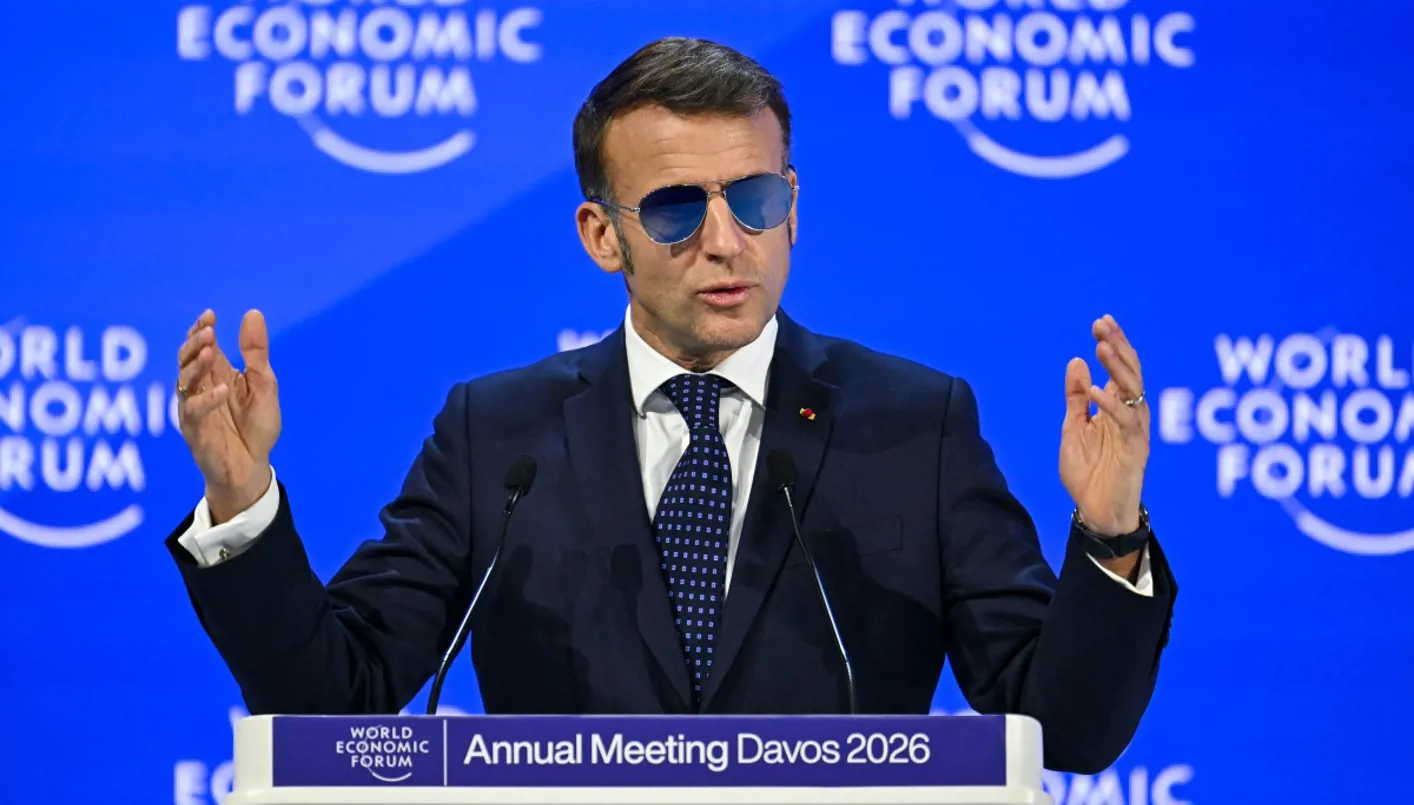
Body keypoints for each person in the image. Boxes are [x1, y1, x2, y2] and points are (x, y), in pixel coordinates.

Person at [166, 37, 1175, 774]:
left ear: (793, 208)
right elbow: (331, 700)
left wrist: (1111, 534)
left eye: (755, 199)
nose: (726, 241)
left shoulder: (915, 423)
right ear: (602, 235)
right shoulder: (498, 435)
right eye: (678, 207)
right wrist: (243, 503)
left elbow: (1065, 729)